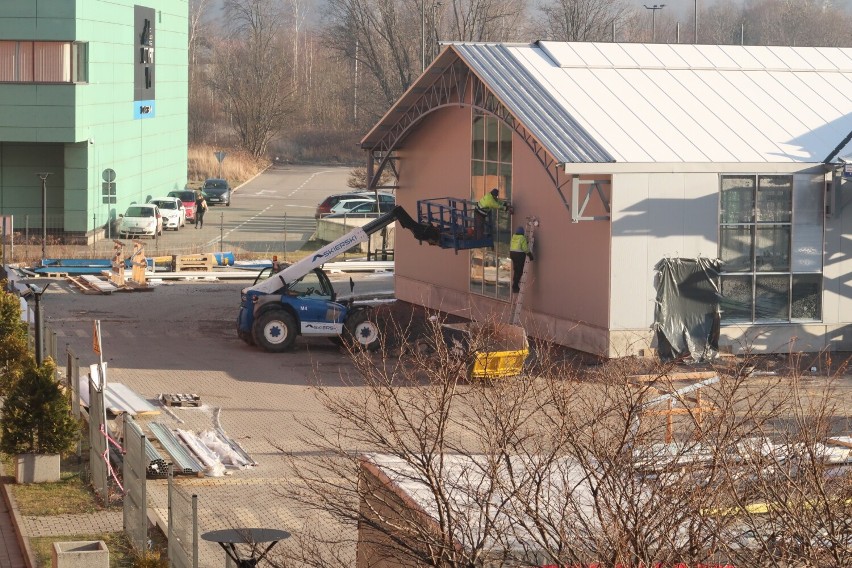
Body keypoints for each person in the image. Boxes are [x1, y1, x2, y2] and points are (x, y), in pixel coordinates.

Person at [510, 226, 533, 293]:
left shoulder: (513, 237)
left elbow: (518, 244)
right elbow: (525, 248)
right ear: (522, 233)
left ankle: (514, 284)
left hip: (512, 254)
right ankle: (515, 286)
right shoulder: (522, 238)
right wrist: (529, 254)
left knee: (516, 269)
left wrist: (526, 241)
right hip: (519, 255)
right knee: (520, 271)